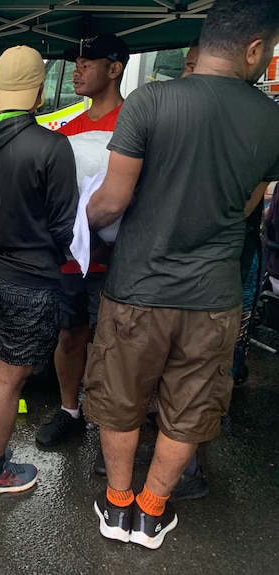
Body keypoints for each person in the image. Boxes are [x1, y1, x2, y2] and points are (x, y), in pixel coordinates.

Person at [85, 0, 279, 549]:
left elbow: (112, 202)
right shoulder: (271, 118)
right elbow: (247, 206)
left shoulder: (152, 99)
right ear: (253, 48)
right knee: (190, 404)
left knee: (121, 396)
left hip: (137, 289)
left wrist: (82, 223)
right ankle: (152, 510)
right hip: (214, 295)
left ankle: (118, 503)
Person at [0, 45, 77, 499]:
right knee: (9, 377)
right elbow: (63, 226)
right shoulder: (51, 146)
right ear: (40, 89)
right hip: (30, 279)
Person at [35, 34, 129, 448]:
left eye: (87, 62)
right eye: (76, 61)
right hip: (71, 259)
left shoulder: (133, 124)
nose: (77, 69)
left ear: (115, 68)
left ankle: (115, 432)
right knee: (70, 336)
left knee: (115, 346)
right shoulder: (66, 129)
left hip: (119, 259)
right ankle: (70, 411)